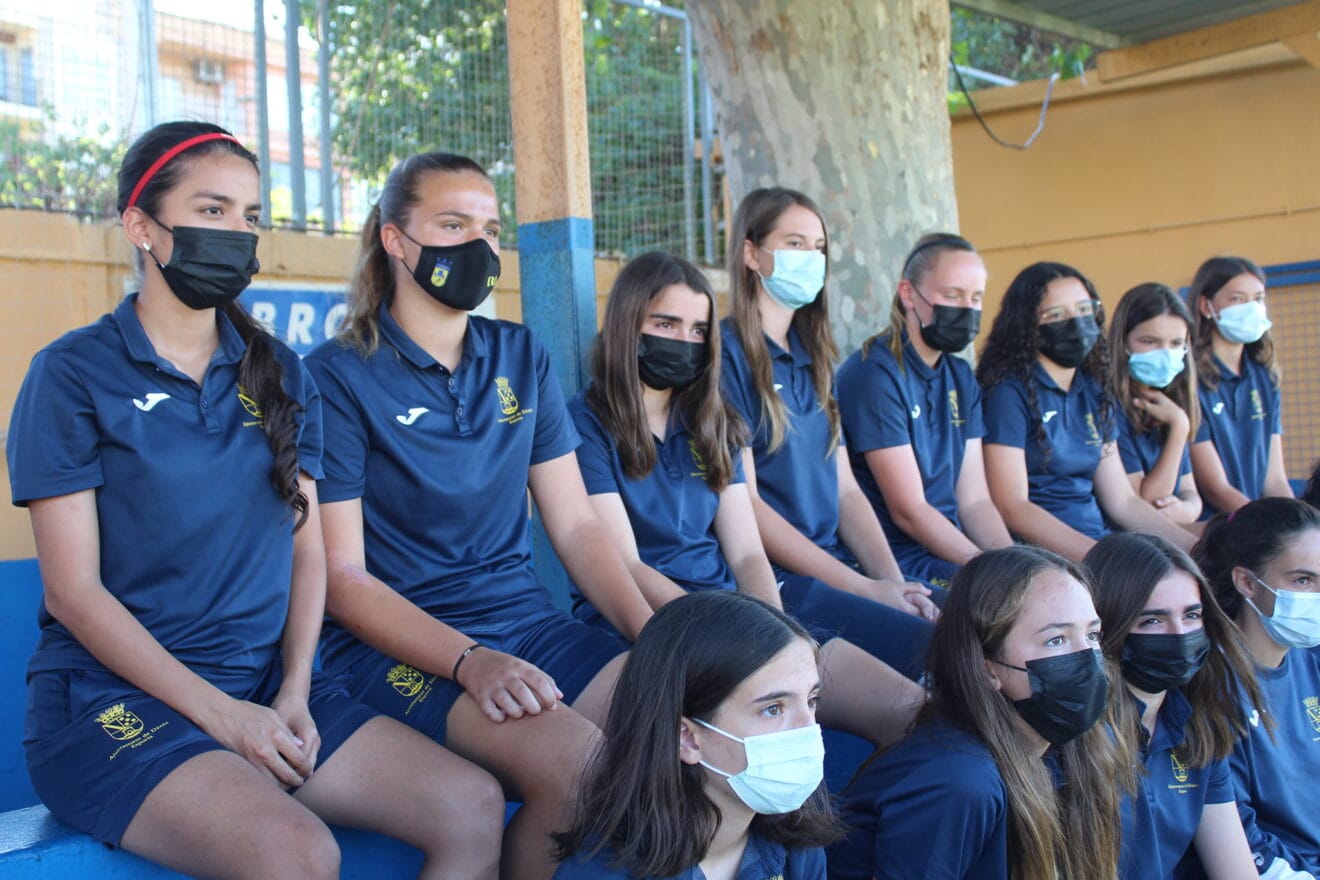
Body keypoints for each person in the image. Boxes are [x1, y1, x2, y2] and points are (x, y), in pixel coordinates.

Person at [7, 122, 502, 879]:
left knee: (467, 805)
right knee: (295, 852)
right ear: (141, 226)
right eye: (211, 211)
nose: (236, 233)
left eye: (249, 216)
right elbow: (74, 594)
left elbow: (308, 550)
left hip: (267, 687)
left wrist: (296, 689)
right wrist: (222, 716)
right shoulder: (72, 375)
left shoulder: (280, 373)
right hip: (110, 703)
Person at [305, 151, 654, 880]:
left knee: (685, 716)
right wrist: (470, 661)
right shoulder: (335, 376)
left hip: (525, 624)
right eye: (453, 223)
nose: (479, 246)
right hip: (398, 648)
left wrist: (656, 637)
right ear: (395, 239)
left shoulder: (519, 354)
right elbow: (341, 576)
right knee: (581, 764)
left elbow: (579, 527)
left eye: (491, 229)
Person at [568, 250, 922, 746]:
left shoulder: (714, 421)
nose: (684, 341)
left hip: (738, 613)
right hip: (645, 623)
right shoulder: (586, 425)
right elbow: (626, 563)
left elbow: (748, 552)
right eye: (666, 324)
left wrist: (770, 629)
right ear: (628, 324)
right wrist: (729, 636)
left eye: (697, 330)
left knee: (912, 713)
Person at [719, 187, 937, 683]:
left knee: (963, 619)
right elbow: (747, 506)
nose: (811, 259)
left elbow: (846, 491)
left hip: (838, 567)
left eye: (818, 248)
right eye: (795, 243)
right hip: (783, 580)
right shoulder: (726, 356)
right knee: (934, 651)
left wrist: (892, 583)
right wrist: (863, 590)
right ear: (752, 253)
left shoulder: (814, 354)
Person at [828, 545, 1125, 880]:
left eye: (1092, 635)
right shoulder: (957, 781)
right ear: (989, 669)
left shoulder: (1067, 750)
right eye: (1056, 640)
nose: (1087, 659)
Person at [553, 590, 838, 880]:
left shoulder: (798, 849)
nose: (808, 729)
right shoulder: (599, 874)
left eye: (811, 701)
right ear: (686, 738)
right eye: (773, 709)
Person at [978, 261, 1197, 562]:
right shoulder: (1008, 394)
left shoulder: (1093, 390)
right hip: (1045, 559)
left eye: (1083, 310)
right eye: (1056, 315)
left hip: (1099, 543)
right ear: (1027, 324)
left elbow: (1123, 501)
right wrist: (1102, 560)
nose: (1075, 322)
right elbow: (1013, 506)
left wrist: (1193, 551)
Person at [836, 233, 1012, 585]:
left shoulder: (961, 377)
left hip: (953, 550)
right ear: (908, 294)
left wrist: (1012, 563)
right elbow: (909, 511)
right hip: (902, 560)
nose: (966, 308)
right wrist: (988, 569)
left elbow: (975, 500)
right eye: (952, 295)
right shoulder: (874, 374)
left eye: (975, 298)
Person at [1084, 533, 1263, 879]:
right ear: (1106, 627)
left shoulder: (1200, 724)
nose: (1179, 634)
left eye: (1192, 615)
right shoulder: (1074, 734)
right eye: (1152, 620)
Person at [1192, 497, 1320, 877]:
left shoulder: (1310, 660)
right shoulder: (1210, 683)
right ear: (1247, 581)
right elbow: (1240, 834)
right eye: (1302, 580)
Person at [1187, 256, 1291, 516]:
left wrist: (1295, 521)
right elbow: (1215, 488)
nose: (1252, 307)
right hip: (1214, 528)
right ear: (1206, 305)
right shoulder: (1188, 378)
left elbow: (1275, 480)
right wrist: (1264, 523)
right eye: (1237, 299)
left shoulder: (1265, 377)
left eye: (1258, 298)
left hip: (1258, 522)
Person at [1106, 283, 1203, 526]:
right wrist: (1179, 427)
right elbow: (1149, 502)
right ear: (1123, 342)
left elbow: (1191, 492)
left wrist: (1188, 509)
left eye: (1175, 343)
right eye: (1150, 341)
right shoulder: (1110, 406)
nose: (1165, 353)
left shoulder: (1171, 403)